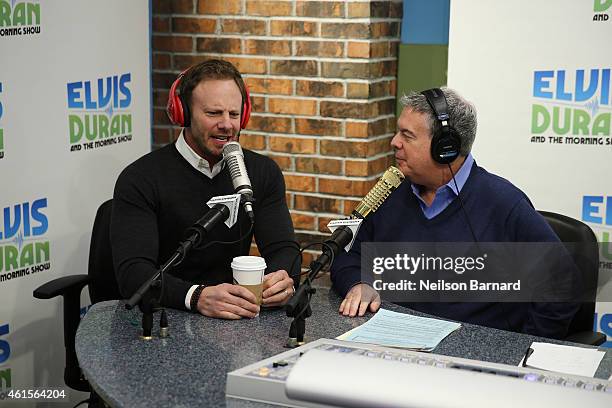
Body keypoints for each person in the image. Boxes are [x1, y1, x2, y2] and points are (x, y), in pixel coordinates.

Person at [330, 87, 579, 339]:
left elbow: (562, 280)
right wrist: (358, 283)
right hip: (395, 346)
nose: (395, 142)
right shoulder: (390, 194)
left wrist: (525, 346)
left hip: (475, 358)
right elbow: (348, 255)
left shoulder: (502, 202)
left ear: (445, 147)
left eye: (407, 135)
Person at [111, 59, 299, 319]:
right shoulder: (141, 178)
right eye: (213, 113)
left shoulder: (262, 172)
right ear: (183, 114)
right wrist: (196, 296)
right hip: (165, 315)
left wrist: (280, 279)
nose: (227, 125)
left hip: (234, 317)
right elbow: (133, 274)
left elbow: (284, 249)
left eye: (234, 114)